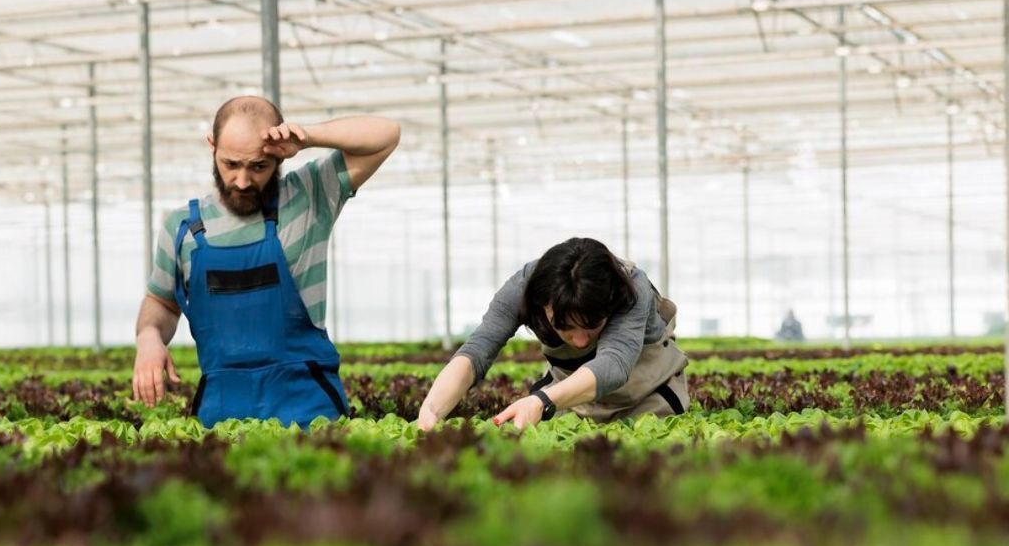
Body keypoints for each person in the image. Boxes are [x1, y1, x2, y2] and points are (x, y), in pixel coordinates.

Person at [132, 96, 400, 427]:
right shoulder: (182, 228)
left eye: (258, 166)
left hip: (308, 413)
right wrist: (148, 337)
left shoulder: (310, 195)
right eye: (231, 164)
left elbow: (387, 134)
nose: (243, 181)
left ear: (278, 156)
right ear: (212, 146)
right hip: (220, 418)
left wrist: (309, 137)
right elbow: (161, 302)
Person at [417, 237, 689, 430]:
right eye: (565, 327)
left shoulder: (630, 287)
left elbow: (615, 363)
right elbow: (478, 349)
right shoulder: (522, 287)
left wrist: (543, 401)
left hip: (649, 398)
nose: (582, 342)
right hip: (571, 401)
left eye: (592, 324)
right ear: (541, 304)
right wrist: (432, 408)